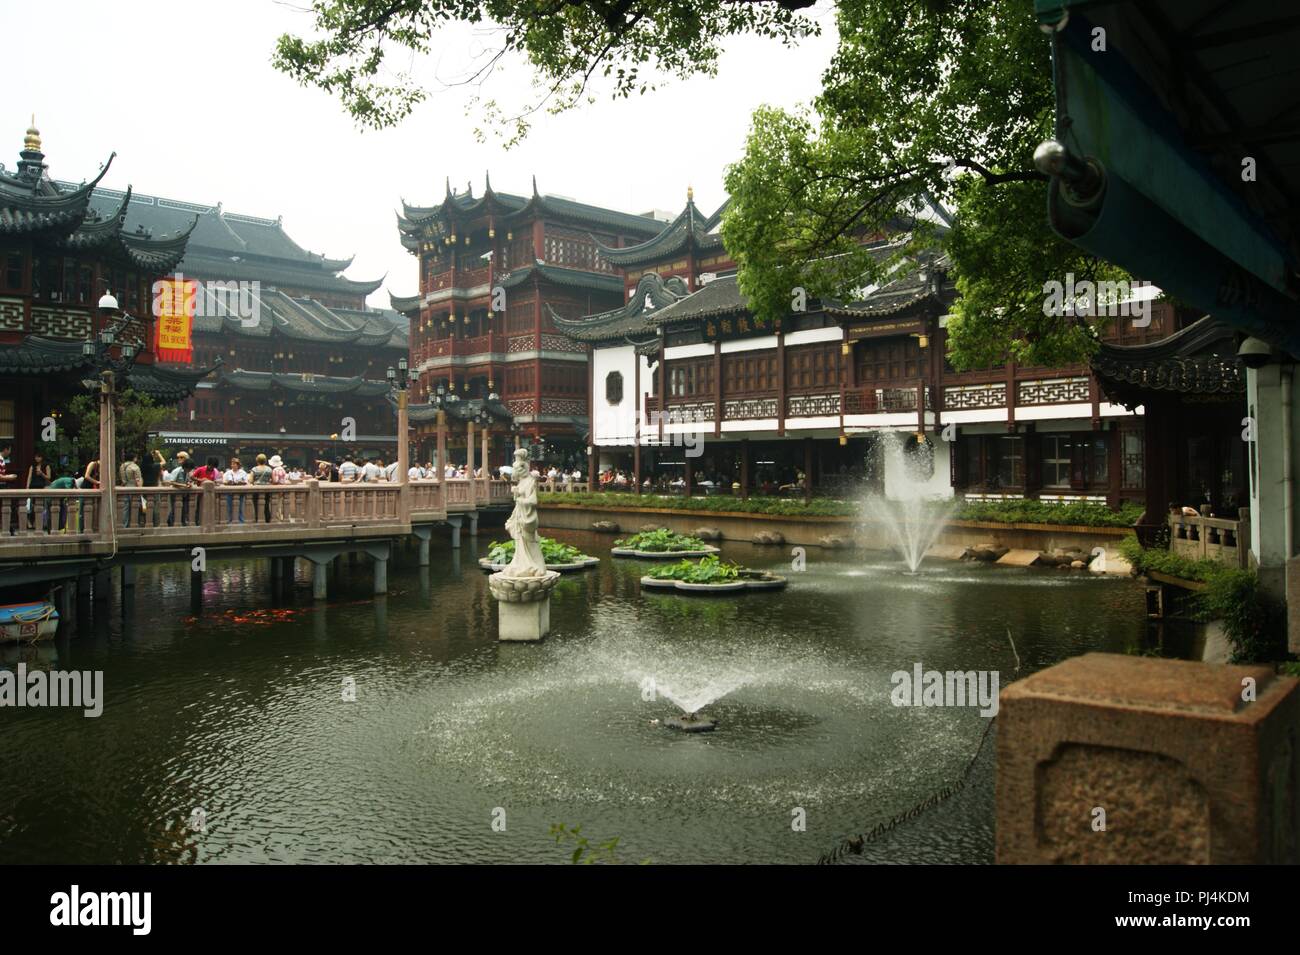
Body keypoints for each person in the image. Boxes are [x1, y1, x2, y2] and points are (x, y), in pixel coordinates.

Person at [118, 451, 143, 528]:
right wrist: (141, 490)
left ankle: (124, 525)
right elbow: (138, 479)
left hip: (125, 488)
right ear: (133, 458)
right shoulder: (135, 467)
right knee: (135, 507)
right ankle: (134, 525)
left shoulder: (122, 466)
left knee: (125, 508)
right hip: (134, 488)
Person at [249, 453, 274, 522]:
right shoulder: (269, 469)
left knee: (256, 505)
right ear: (265, 460)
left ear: (257, 460)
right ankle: (267, 519)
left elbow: (250, 480)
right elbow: (274, 480)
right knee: (266, 505)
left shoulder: (254, 469)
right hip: (267, 489)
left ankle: (257, 518)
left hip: (256, 490)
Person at [224, 456, 249, 523]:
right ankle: (229, 520)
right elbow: (224, 482)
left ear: (238, 465)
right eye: (232, 464)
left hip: (240, 492)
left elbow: (246, 482)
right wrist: (228, 482)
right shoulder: (228, 472)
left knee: (240, 508)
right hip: (229, 492)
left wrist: (241, 482)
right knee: (229, 508)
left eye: (234, 464)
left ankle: (241, 521)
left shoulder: (243, 473)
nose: (232, 465)